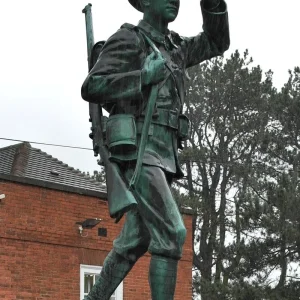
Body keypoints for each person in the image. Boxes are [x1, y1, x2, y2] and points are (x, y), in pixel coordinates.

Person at [81, 0, 230, 299]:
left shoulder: (176, 47)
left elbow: (216, 41)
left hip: (164, 153)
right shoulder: (129, 39)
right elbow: (92, 86)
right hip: (138, 152)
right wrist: (142, 78)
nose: (174, 0)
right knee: (173, 233)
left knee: (135, 240)